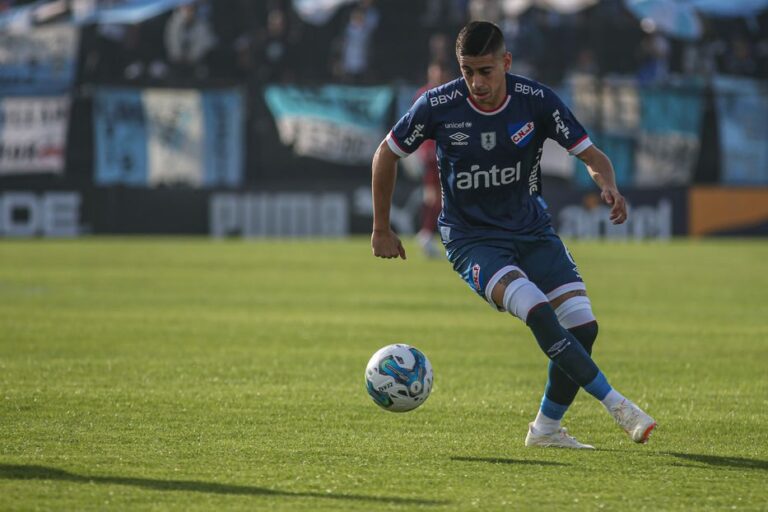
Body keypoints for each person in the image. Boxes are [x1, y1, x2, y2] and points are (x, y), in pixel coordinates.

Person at [370, 21, 656, 449]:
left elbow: (591, 155)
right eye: (467, 71)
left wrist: (607, 184)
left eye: (485, 71)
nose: (475, 82)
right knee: (538, 310)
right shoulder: (438, 105)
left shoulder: (536, 101)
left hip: (531, 229)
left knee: (583, 327)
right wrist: (380, 226)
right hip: (473, 240)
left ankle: (545, 431)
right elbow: (386, 154)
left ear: (506, 62)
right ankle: (617, 404)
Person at [415, 60, 453, 258]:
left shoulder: (450, 94)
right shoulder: (424, 95)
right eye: (435, 72)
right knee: (434, 196)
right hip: (432, 155)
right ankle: (426, 234)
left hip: (449, 152)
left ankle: (429, 234)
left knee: (441, 197)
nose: (437, 76)